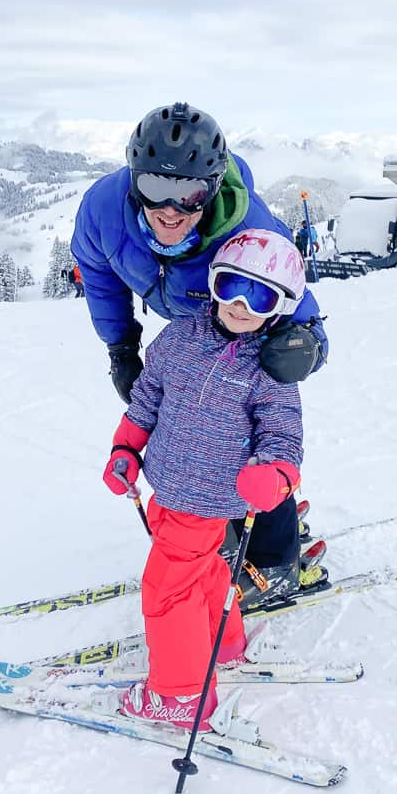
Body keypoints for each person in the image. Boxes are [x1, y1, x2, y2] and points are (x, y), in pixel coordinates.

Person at [72, 102, 329, 610]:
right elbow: (98, 275)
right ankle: (219, 532)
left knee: (248, 438)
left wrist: (305, 345)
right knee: (189, 430)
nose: (171, 209)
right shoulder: (103, 210)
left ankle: (276, 557)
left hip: (245, 332)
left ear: (210, 188)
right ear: (133, 181)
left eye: (188, 195)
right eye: (155, 190)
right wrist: (121, 346)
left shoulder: (247, 227)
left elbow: (297, 299)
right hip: (191, 329)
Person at [102, 229, 304, 729]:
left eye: (259, 295)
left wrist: (276, 475)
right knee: (209, 570)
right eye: (232, 285)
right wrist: (126, 446)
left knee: (168, 588)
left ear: (279, 307)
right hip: (166, 483)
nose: (240, 304)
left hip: (213, 494)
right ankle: (225, 642)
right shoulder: (178, 338)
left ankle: (179, 696)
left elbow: (283, 434)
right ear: (214, 282)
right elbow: (148, 396)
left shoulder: (269, 367)